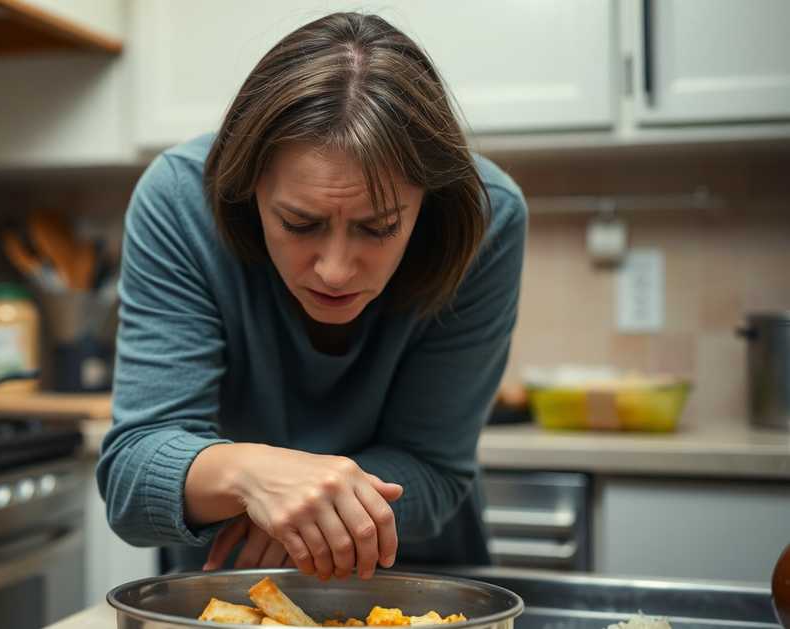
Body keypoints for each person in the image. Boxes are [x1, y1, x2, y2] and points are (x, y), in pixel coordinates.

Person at [97, 12, 527, 581]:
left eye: (378, 229)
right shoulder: (179, 200)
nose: (334, 270)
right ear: (250, 189)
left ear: (431, 203)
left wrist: (298, 514)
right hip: (227, 588)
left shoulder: (487, 219)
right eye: (300, 223)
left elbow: (433, 468)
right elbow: (133, 477)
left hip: (415, 580)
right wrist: (254, 475)